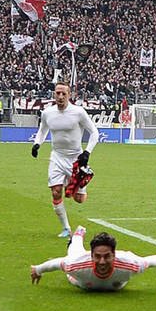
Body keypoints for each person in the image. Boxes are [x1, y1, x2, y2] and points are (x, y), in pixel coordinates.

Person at [32, 82, 99, 237]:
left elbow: (94, 132)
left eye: (64, 93)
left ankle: (79, 183)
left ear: (70, 95)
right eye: (58, 93)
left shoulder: (78, 112)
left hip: (76, 158)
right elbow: (42, 131)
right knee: (56, 192)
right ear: (54, 94)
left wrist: (87, 152)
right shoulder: (48, 113)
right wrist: (37, 144)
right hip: (57, 157)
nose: (60, 96)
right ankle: (66, 228)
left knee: (79, 199)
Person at [29, 226, 156, 291]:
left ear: (114, 254)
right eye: (97, 257)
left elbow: (149, 262)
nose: (102, 261)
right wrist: (38, 269)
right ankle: (77, 235)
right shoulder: (77, 266)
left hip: (115, 284)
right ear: (91, 256)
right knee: (74, 253)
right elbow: (57, 263)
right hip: (83, 283)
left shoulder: (129, 264)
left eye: (107, 256)